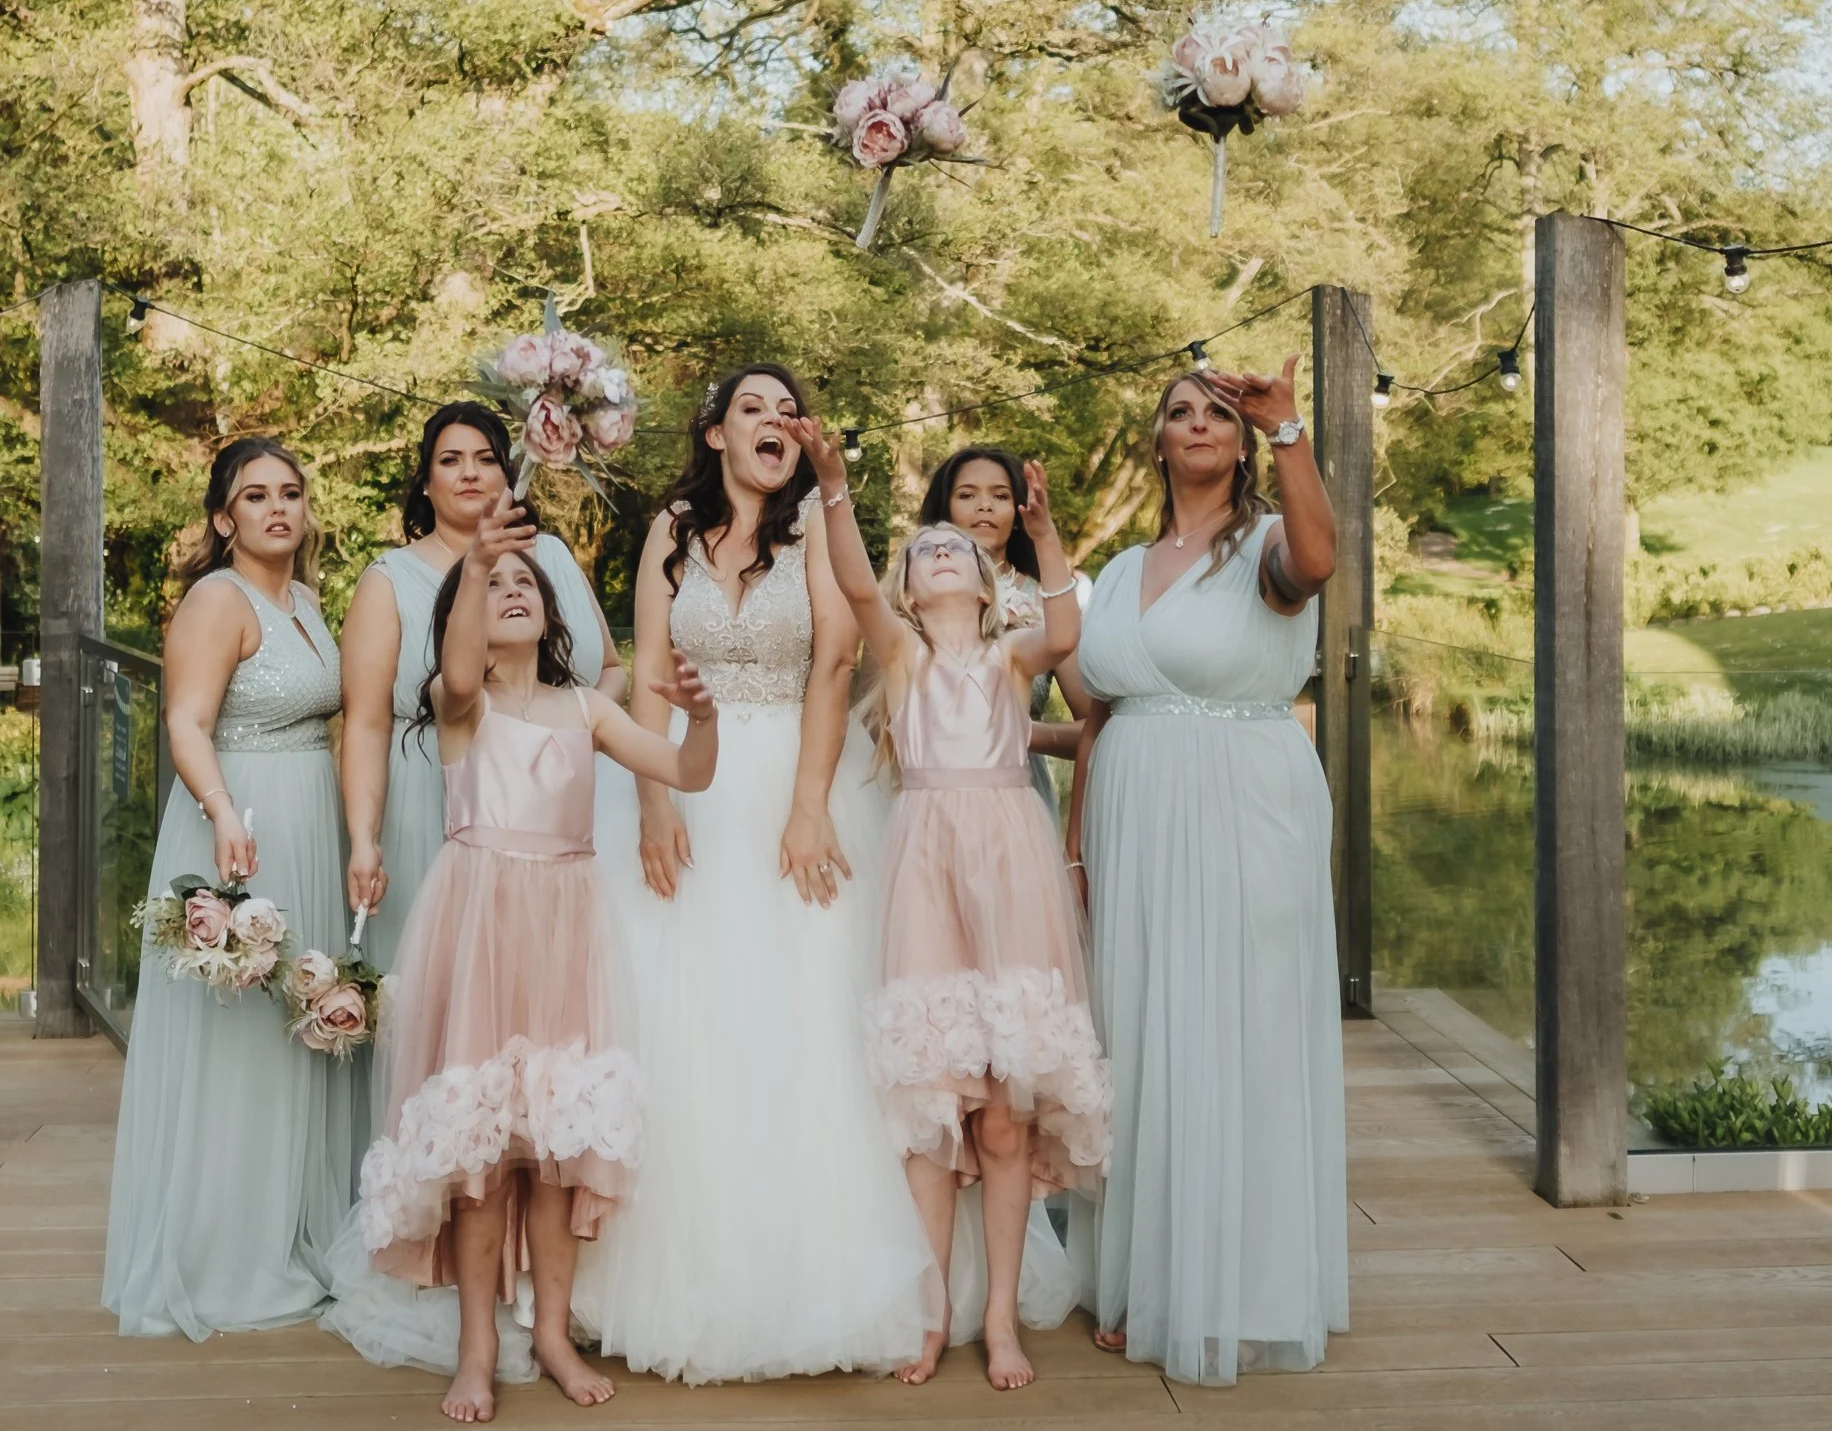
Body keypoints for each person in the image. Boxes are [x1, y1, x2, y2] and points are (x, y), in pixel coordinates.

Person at [571, 364, 944, 1382]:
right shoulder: (668, 533)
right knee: (678, 1015)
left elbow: (832, 661)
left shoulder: (815, 528)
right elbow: (648, 669)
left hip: (788, 772)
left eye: (786, 410)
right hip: (685, 784)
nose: (773, 423)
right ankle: (663, 1274)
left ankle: (816, 1270)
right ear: (715, 433)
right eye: (753, 409)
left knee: (804, 1017)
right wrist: (650, 801)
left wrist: (812, 802)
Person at [322, 493, 720, 1423]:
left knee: (555, 1144)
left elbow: (687, 775)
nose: (510, 590)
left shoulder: (586, 708)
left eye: (523, 584)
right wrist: (472, 563)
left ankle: (547, 1333)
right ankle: (474, 1348)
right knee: (481, 1149)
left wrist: (701, 718)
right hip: (480, 925)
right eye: (492, 583)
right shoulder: (454, 707)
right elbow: (459, 668)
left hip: (567, 927)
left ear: (551, 614)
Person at [798, 421, 1110, 1391]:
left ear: (983, 585)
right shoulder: (901, 658)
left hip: (1008, 864)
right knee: (937, 1106)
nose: (942, 551)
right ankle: (933, 1315)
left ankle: (1002, 1320)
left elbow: (1063, 633)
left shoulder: (1012, 660)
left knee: (1006, 1113)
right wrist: (836, 484)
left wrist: (1044, 530)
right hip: (926, 866)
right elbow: (852, 586)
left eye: (960, 552)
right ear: (911, 584)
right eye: (927, 546)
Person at [1068, 357, 1347, 1386]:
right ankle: (1147, 1276)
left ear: (1238, 443)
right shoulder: (1123, 565)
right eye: (1178, 412)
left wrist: (1290, 430)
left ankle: (1241, 1287)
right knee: (1144, 1034)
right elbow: (1100, 713)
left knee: (1238, 1028)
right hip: (1134, 817)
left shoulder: (1266, 542)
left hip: (1243, 803)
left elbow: (1316, 566)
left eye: (1216, 415)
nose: (1196, 424)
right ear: (1156, 440)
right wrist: (1074, 841)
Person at [102, 438, 353, 1339]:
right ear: (224, 517)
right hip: (239, 823)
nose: (279, 508)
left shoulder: (312, 604)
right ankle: (226, 1252)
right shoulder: (218, 600)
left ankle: (295, 1226)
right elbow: (185, 720)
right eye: (256, 496)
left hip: (310, 821)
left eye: (292, 492)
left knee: (299, 1026)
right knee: (238, 1038)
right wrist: (221, 812)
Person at [340, 402, 628, 1136]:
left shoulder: (552, 559)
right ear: (426, 484)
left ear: (509, 474)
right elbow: (369, 720)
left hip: (562, 821)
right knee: (447, 1017)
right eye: (450, 460)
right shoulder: (391, 577)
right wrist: (364, 838)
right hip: (440, 802)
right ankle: (435, 1194)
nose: (469, 472)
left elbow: (612, 671)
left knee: (551, 1019)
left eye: (485, 458)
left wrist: (569, 733)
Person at [917, 446, 1096, 815]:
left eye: (1000, 496)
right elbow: (873, 723)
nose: (984, 506)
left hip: (1017, 801)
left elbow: (1096, 730)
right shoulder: (907, 599)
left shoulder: (1050, 604)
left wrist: (1023, 731)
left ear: (1018, 514)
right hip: (924, 794)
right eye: (967, 495)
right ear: (943, 511)